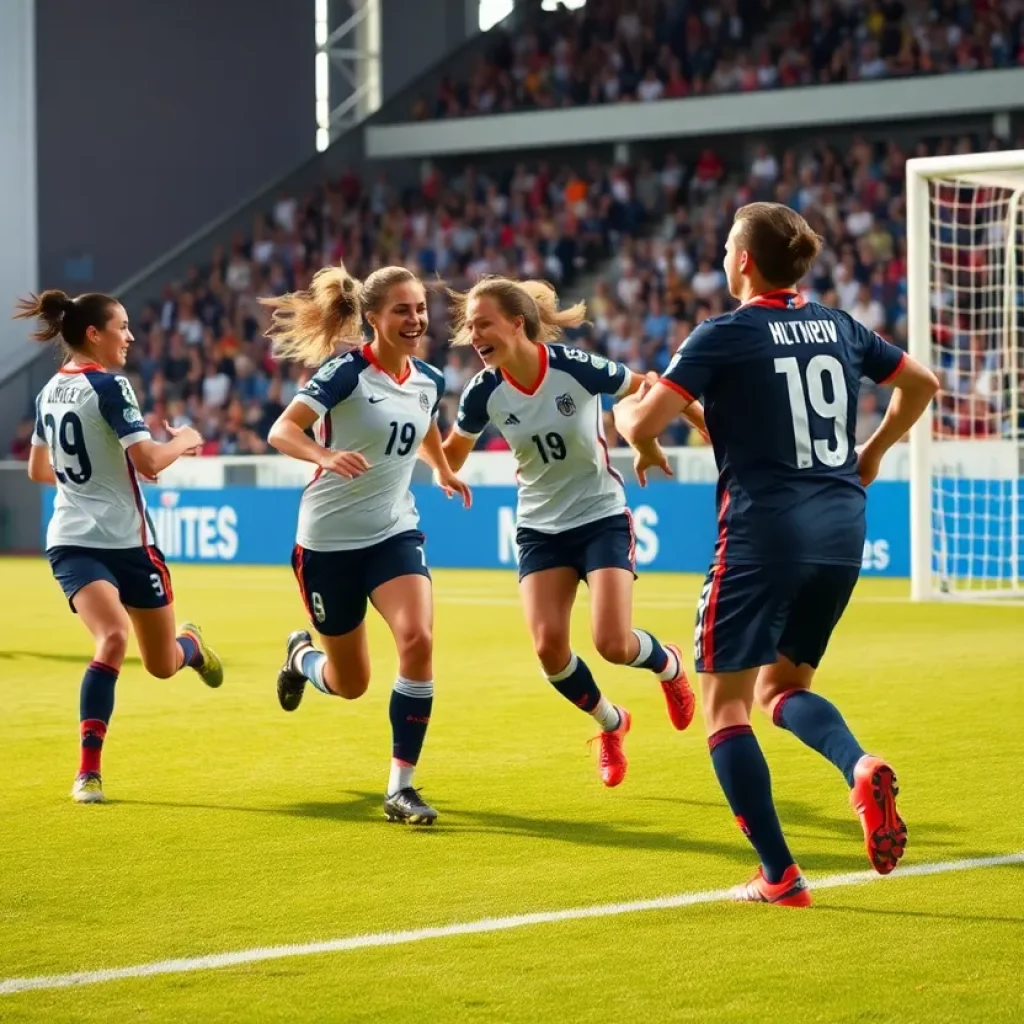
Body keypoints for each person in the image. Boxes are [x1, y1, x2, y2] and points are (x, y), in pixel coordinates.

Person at [613, 202, 939, 906]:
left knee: (726, 709)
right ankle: (859, 767)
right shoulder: (839, 325)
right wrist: (873, 454)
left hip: (764, 533)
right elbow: (922, 385)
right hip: (841, 527)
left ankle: (780, 876)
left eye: (730, 245)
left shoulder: (724, 334)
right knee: (782, 689)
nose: (725, 255)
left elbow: (639, 421)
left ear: (744, 261)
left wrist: (624, 415)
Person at [442, 277, 703, 789]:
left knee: (611, 643)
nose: (473, 335)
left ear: (517, 324)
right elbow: (451, 452)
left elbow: (649, 387)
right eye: (469, 326)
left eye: (483, 323)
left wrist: (688, 423)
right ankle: (612, 722)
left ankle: (668, 664)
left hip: (600, 515)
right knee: (549, 651)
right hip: (540, 528)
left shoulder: (574, 368)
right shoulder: (483, 393)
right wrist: (438, 466)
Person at [265, 263, 470, 826]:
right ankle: (301, 659)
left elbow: (423, 424)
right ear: (373, 318)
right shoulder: (345, 373)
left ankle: (401, 789)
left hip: (393, 532)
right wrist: (324, 456)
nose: (415, 318)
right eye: (402, 309)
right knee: (350, 683)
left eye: (420, 308)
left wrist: (444, 468)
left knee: (418, 638)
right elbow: (282, 430)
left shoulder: (428, 377)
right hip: (327, 542)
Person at [16, 289, 224, 805]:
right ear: (94, 334)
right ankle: (88, 772)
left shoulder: (48, 391)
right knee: (111, 637)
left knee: (162, 664)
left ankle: (191, 645)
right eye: (123, 327)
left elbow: (39, 470)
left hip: (126, 545)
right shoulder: (111, 386)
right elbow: (152, 462)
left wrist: (103, 472)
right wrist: (187, 439)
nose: (130, 336)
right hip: (81, 542)